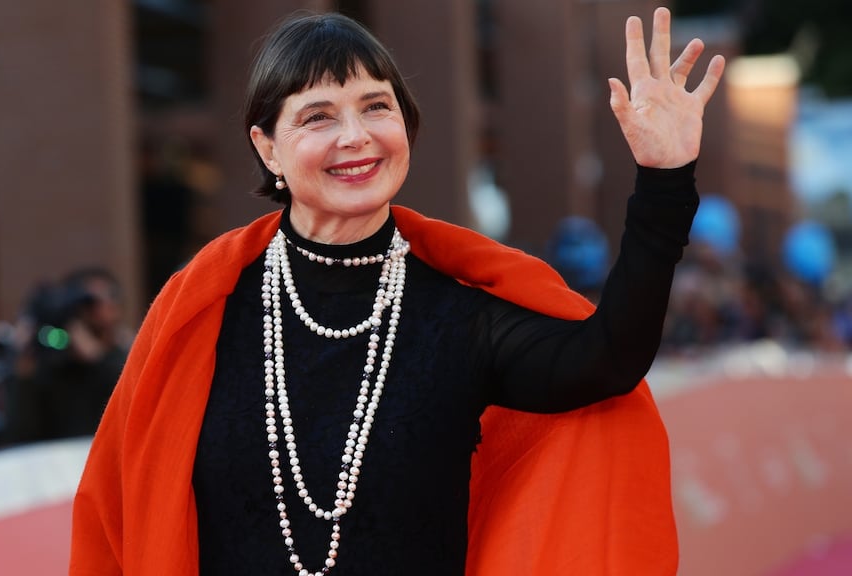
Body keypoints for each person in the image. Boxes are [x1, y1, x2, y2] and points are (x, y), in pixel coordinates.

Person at [71, 8, 724, 575]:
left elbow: (607, 358)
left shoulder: (458, 317)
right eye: (318, 116)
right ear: (267, 148)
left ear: (405, 126)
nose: (355, 136)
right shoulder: (201, 314)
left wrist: (663, 180)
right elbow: (117, 517)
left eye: (375, 106)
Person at [7, 266, 130, 443]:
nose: (96, 309)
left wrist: (98, 359)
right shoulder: (48, 367)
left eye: (104, 298)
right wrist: (23, 375)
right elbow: (20, 437)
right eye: (88, 303)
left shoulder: (126, 359)